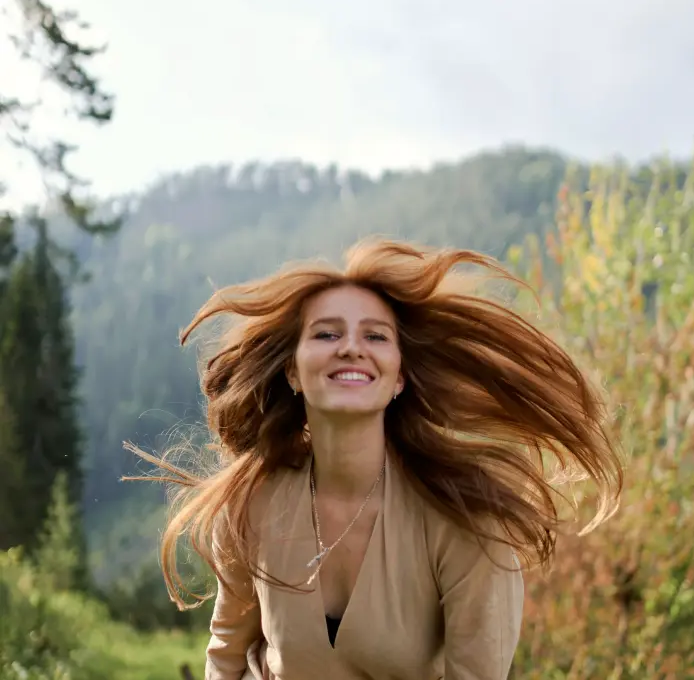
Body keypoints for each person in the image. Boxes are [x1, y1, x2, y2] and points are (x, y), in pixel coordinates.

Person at [126, 239, 623, 680]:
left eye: (375, 336)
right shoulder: (251, 504)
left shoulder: (467, 523)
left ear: (399, 376)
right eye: (325, 334)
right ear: (294, 373)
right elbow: (226, 660)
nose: (350, 348)